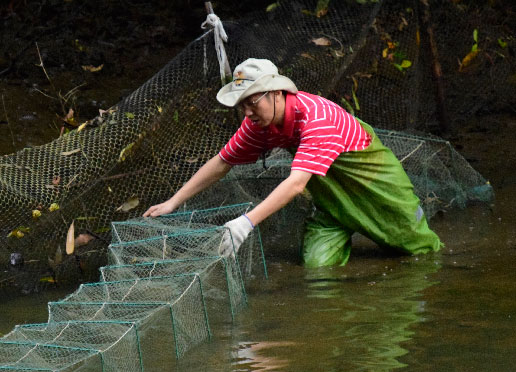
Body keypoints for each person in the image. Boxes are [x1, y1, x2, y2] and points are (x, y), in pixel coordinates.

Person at [143, 58, 442, 267]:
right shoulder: (258, 124)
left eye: (253, 101)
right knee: (318, 269)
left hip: (377, 188)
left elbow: (297, 183)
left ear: (276, 93)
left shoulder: (317, 119)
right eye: (242, 104)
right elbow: (223, 161)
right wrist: (174, 201)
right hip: (332, 201)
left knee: (421, 255)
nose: (247, 112)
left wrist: (245, 224)